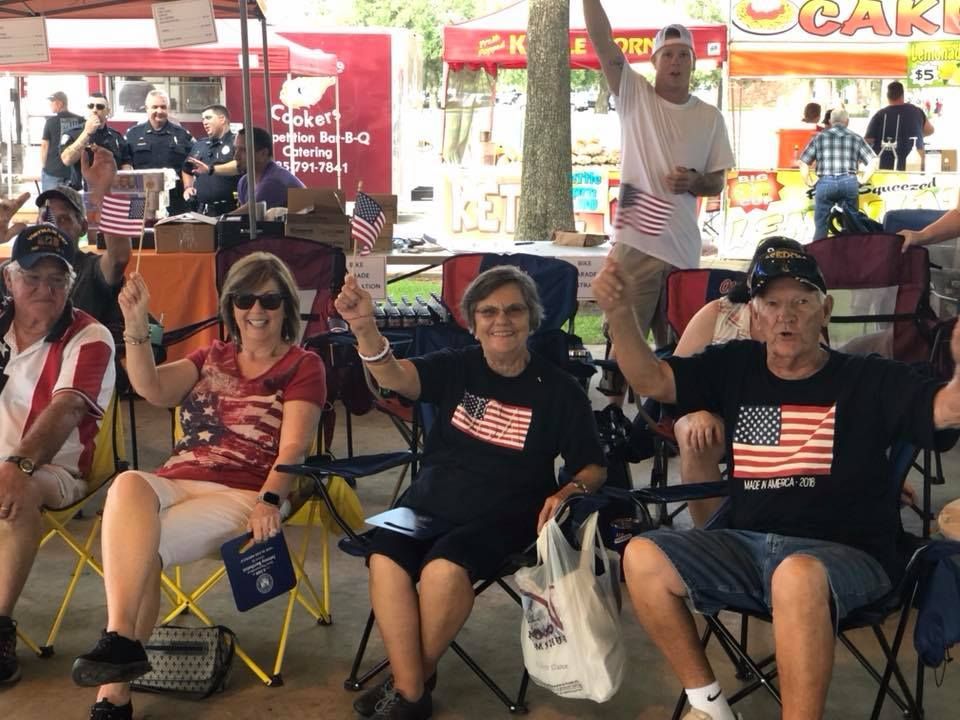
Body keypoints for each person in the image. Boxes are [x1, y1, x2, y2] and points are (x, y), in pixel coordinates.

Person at [593, 244, 960, 720]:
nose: (786, 315)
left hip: (848, 556)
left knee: (796, 576)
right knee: (642, 554)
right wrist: (621, 315)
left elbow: (943, 409)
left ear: (824, 311)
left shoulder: (869, 378)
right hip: (746, 547)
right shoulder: (734, 364)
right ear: (755, 315)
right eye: (772, 303)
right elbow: (653, 380)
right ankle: (710, 707)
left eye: (802, 302)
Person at [334, 265, 605, 720]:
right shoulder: (457, 366)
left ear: (532, 319)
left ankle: (407, 687)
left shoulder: (559, 390)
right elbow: (396, 378)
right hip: (432, 499)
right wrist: (364, 327)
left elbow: (593, 466)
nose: (502, 320)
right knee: (384, 557)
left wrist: (569, 491)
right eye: (488, 311)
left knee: (443, 569)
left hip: (508, 510)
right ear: (472, 321)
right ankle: (413, 689)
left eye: (514, 309)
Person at [71, 252, 326, 720]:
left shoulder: (302, 366)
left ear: (287, 307)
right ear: (231, 307)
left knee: (138, 551)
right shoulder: (211, 356)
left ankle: (113, 691)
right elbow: (152, 389)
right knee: (128, 482)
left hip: (245, 492)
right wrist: (133, 323)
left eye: (270, 299)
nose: (257, 310)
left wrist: (272, 499)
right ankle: (122, 643)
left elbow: (293, 448)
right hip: (180, 477)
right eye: (246, 298)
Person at [0, 224, 116, 687]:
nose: (43, 290)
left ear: (71, 283)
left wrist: (15, 465)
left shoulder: (90, 337)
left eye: (56, 279)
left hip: (53, 470)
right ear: (10, 279)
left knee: (19, 489)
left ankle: (0, 626)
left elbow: (67, 409)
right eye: (32, 277)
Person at [583, 2, 733, 351]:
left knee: (682, 349)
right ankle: (615, 406)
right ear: (654, 63)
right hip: (635, 243)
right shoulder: (634, 95)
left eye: (683, 55)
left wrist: (695, 181)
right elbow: (602, 40)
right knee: (622, 341)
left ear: (694, 63)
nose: (676, 62)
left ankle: (672, 409)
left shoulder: (710, 118)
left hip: (682, 250)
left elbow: (717, 182)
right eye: (667, 55)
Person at [671, 237, 804, 527]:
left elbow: (828, 386)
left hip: (782, 419)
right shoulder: (717, 314)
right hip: (715, 416)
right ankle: (714, 539)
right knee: (696, 437)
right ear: (752, 279)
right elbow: (673, 380)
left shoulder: (806, 318)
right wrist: (697, 410)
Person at [1, 147, 132, 330]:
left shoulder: (91, 269)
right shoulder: (13, 269)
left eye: (63, 219)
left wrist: (106, 193)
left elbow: (119, 258)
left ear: (83, 227)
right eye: (46, 218)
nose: (52, 225)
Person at [798, 107, 878, 241]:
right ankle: (851, 255)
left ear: (830, 121)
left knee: (821, 225)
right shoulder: (856, 138)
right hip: (849, 181)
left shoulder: (819, 138)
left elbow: (803, 162)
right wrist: (863, 179)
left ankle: (819, 255)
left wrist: (809, 181)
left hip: (825, 182)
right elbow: (874, 161)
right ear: (847, 121)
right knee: (851, 223)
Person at [124, 90, 194, 216]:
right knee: (139, 234)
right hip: (141, 199)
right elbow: (125, 164)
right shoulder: (132, 135)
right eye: (155, 107)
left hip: (175, 201)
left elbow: (190, 166)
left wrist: (188, 187)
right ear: (146, 109)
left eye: (163, 107)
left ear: (169, 109)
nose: (159, 111)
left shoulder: (182, 135)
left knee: (174, 234)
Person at [60, 92, 132, 191]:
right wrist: (86, 133)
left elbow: (126, 165)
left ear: (108, 111)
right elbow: (67, 159)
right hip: (83, 194)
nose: (94, 110)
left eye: (100, 107)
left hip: (112, 192)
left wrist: (125, 187)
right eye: (91, 106)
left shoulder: (116, 137)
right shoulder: (73, 134)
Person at [181, 104, 239, 216]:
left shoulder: (237, 142)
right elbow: (186, 169)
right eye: (203, 119)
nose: (204, 122)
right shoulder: (200, 145)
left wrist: (210, 169)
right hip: (202, 211)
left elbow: (241, 165)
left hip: (231, 210)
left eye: (208, 118)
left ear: (222, 119)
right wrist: (188, 187)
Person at [864, 81, 934, 171]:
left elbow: (868, 140)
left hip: (886, 165)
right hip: (914, 164)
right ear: (902, 95)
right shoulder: (917, 111)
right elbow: (930, 130)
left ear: (888, 96)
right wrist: (917, 135)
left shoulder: (880, 114)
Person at [233, 126, 304, 211]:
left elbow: (241, 215)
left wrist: (214, 221)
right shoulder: (244, 182)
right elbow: (238, 219)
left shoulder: (274, 182)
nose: (236, 156)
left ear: (263, 154)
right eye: (236, 149)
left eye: (243, 150)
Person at [40, 91, 83, 192]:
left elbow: (44, 146)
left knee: (52, 204)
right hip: (74, 172)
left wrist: (44, 167)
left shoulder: (50, 122)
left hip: (53, 172)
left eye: (52, 102)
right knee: (73, 205)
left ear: (60, 103)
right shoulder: (80, 120)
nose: (50, 105)